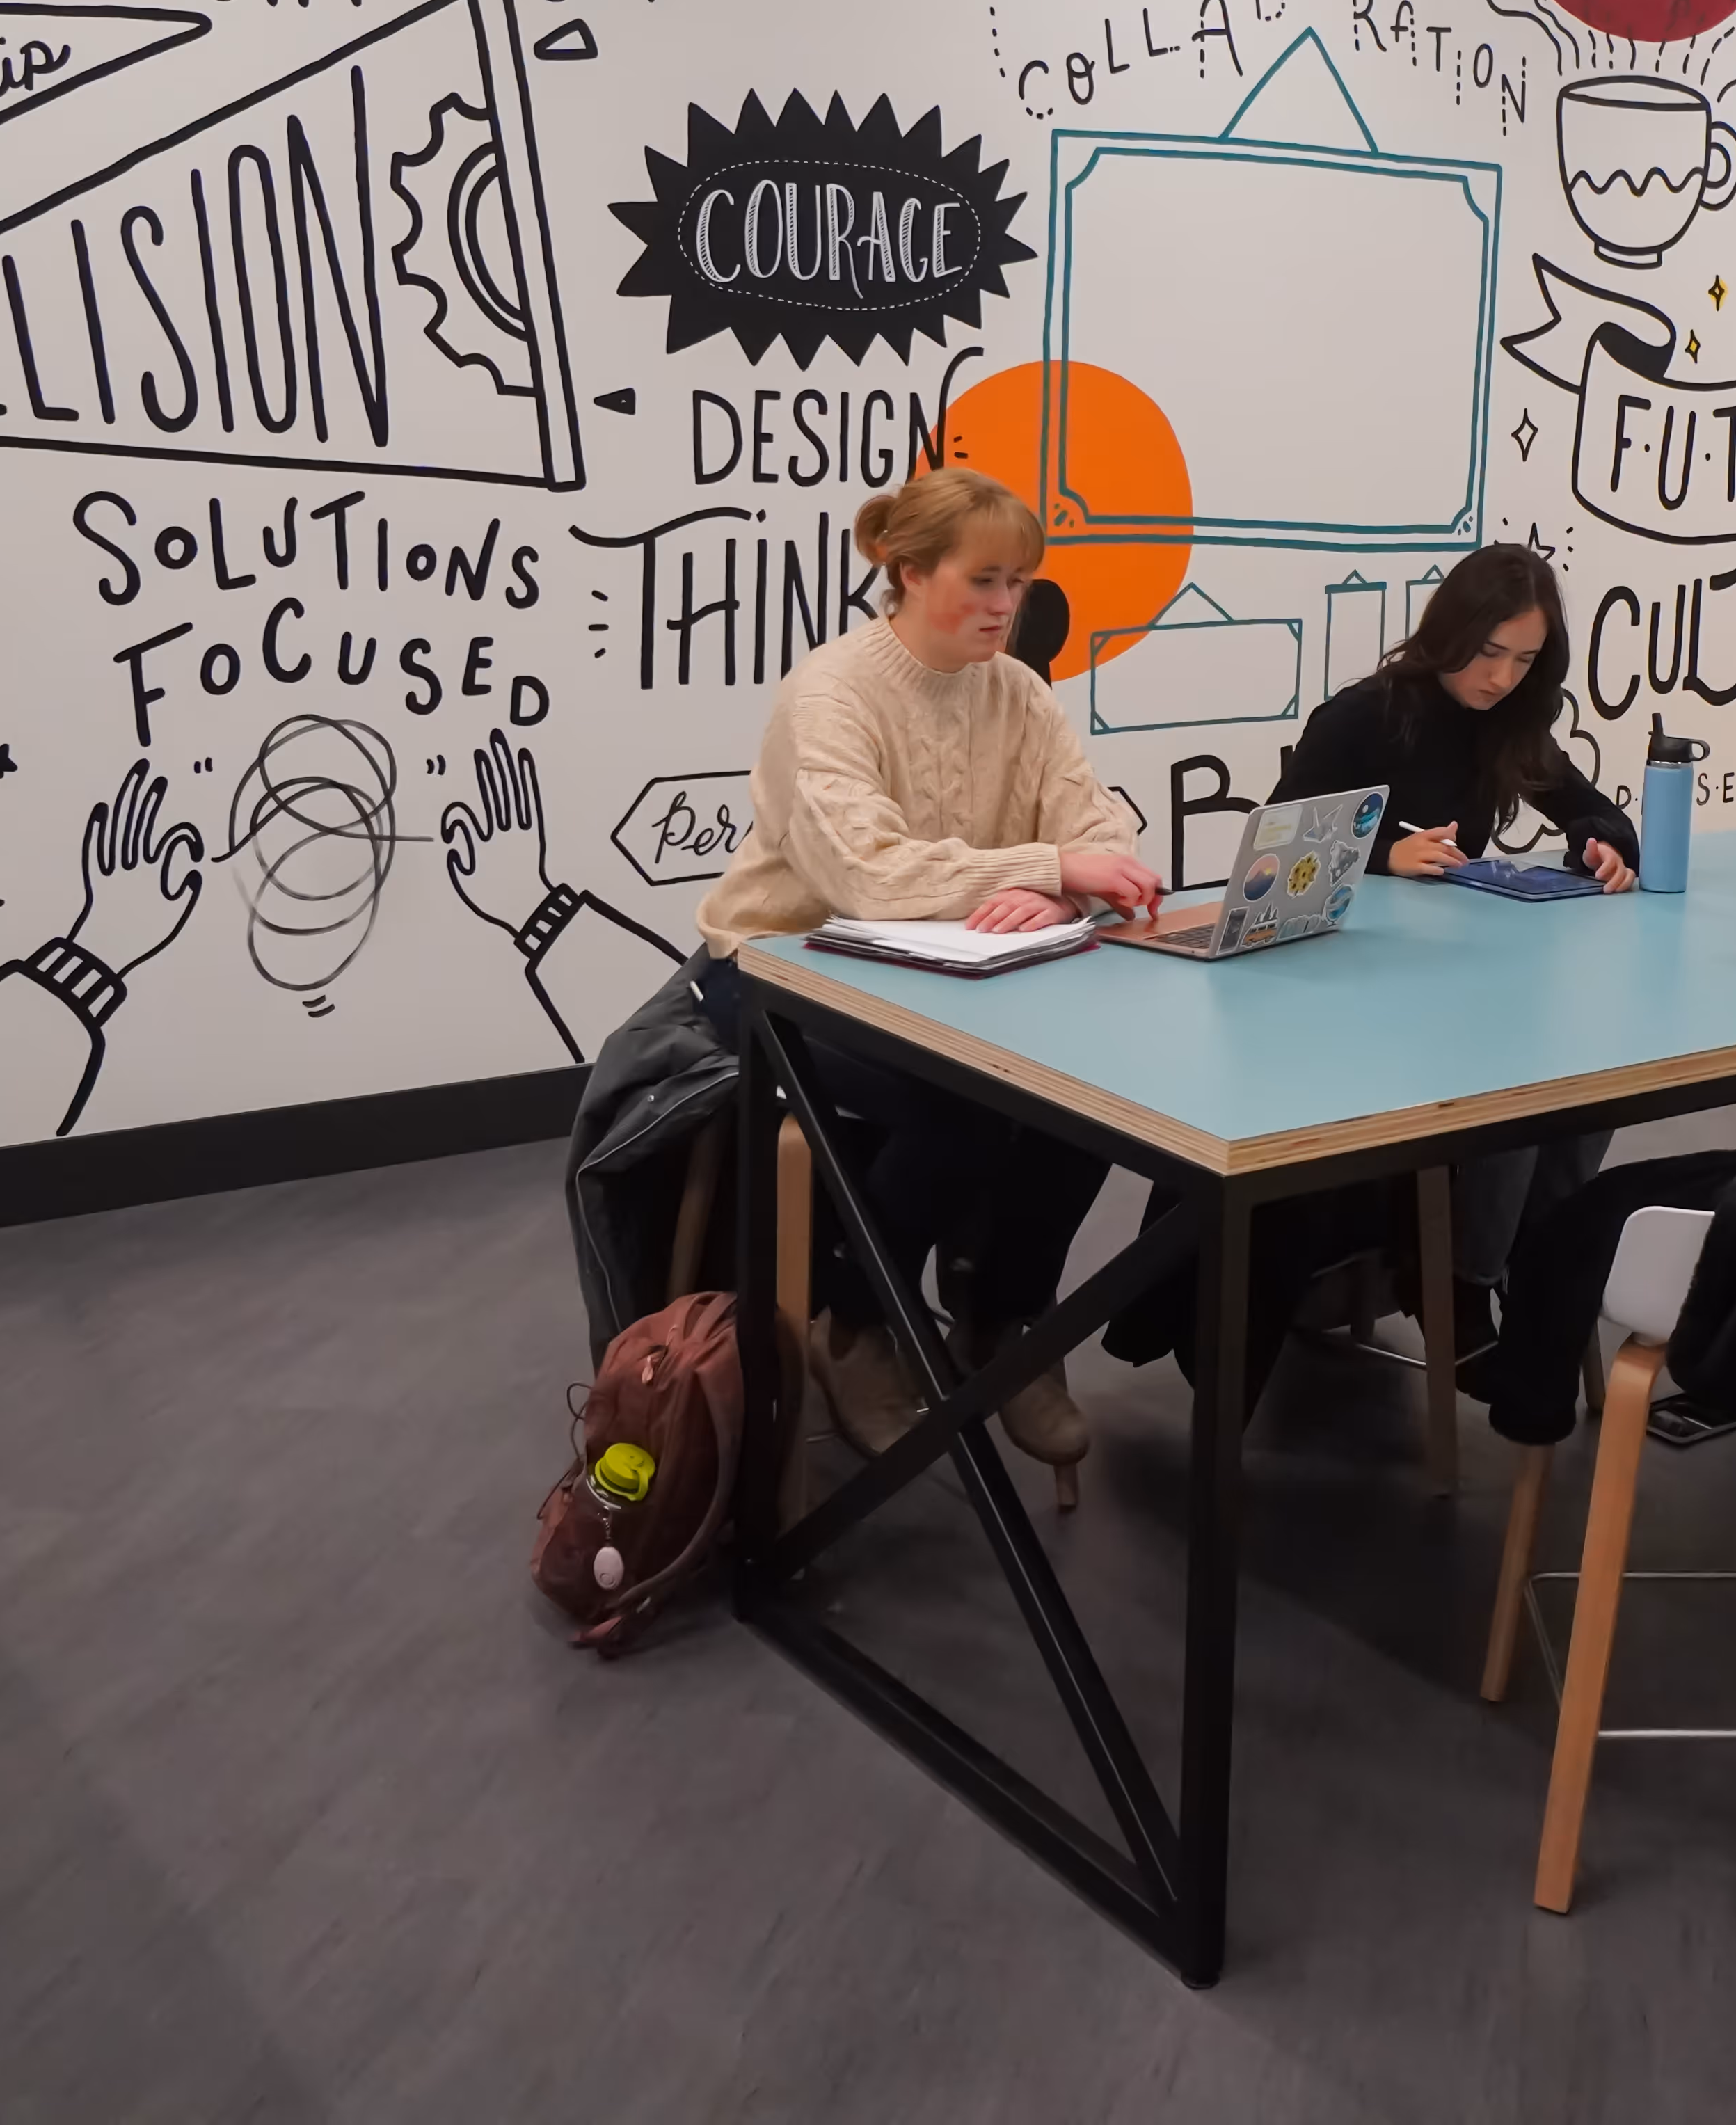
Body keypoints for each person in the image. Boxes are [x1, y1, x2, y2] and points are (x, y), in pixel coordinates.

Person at [694, 465, 1165, 1481]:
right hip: (782, 965)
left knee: (1097, 1096)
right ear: (907, 572)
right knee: (959, 1107)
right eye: (984, 580)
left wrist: (1058, 895)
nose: (1005, 605)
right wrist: (1050, 868)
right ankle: (857, 1321)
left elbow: (1098, 832)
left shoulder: (1019, 691)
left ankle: (1004, 1318)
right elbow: (867, 876)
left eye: (1019, 583)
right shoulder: (830, 693)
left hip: (943, 968)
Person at [1275, 541, 1635, 1345]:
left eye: (1525, 660)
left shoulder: (1508, 721)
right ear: (1451, 632)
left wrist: (1602, 846)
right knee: (1519, 1076)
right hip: (1350, 991)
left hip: (1452, 982)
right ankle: (1466, 1285)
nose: (1502, 677)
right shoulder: (1363, 717)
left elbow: (1595, 811)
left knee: (1587, 1083)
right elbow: (1277, 858)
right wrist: (1382, 855)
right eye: (1489, 652)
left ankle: (1534, 1270)